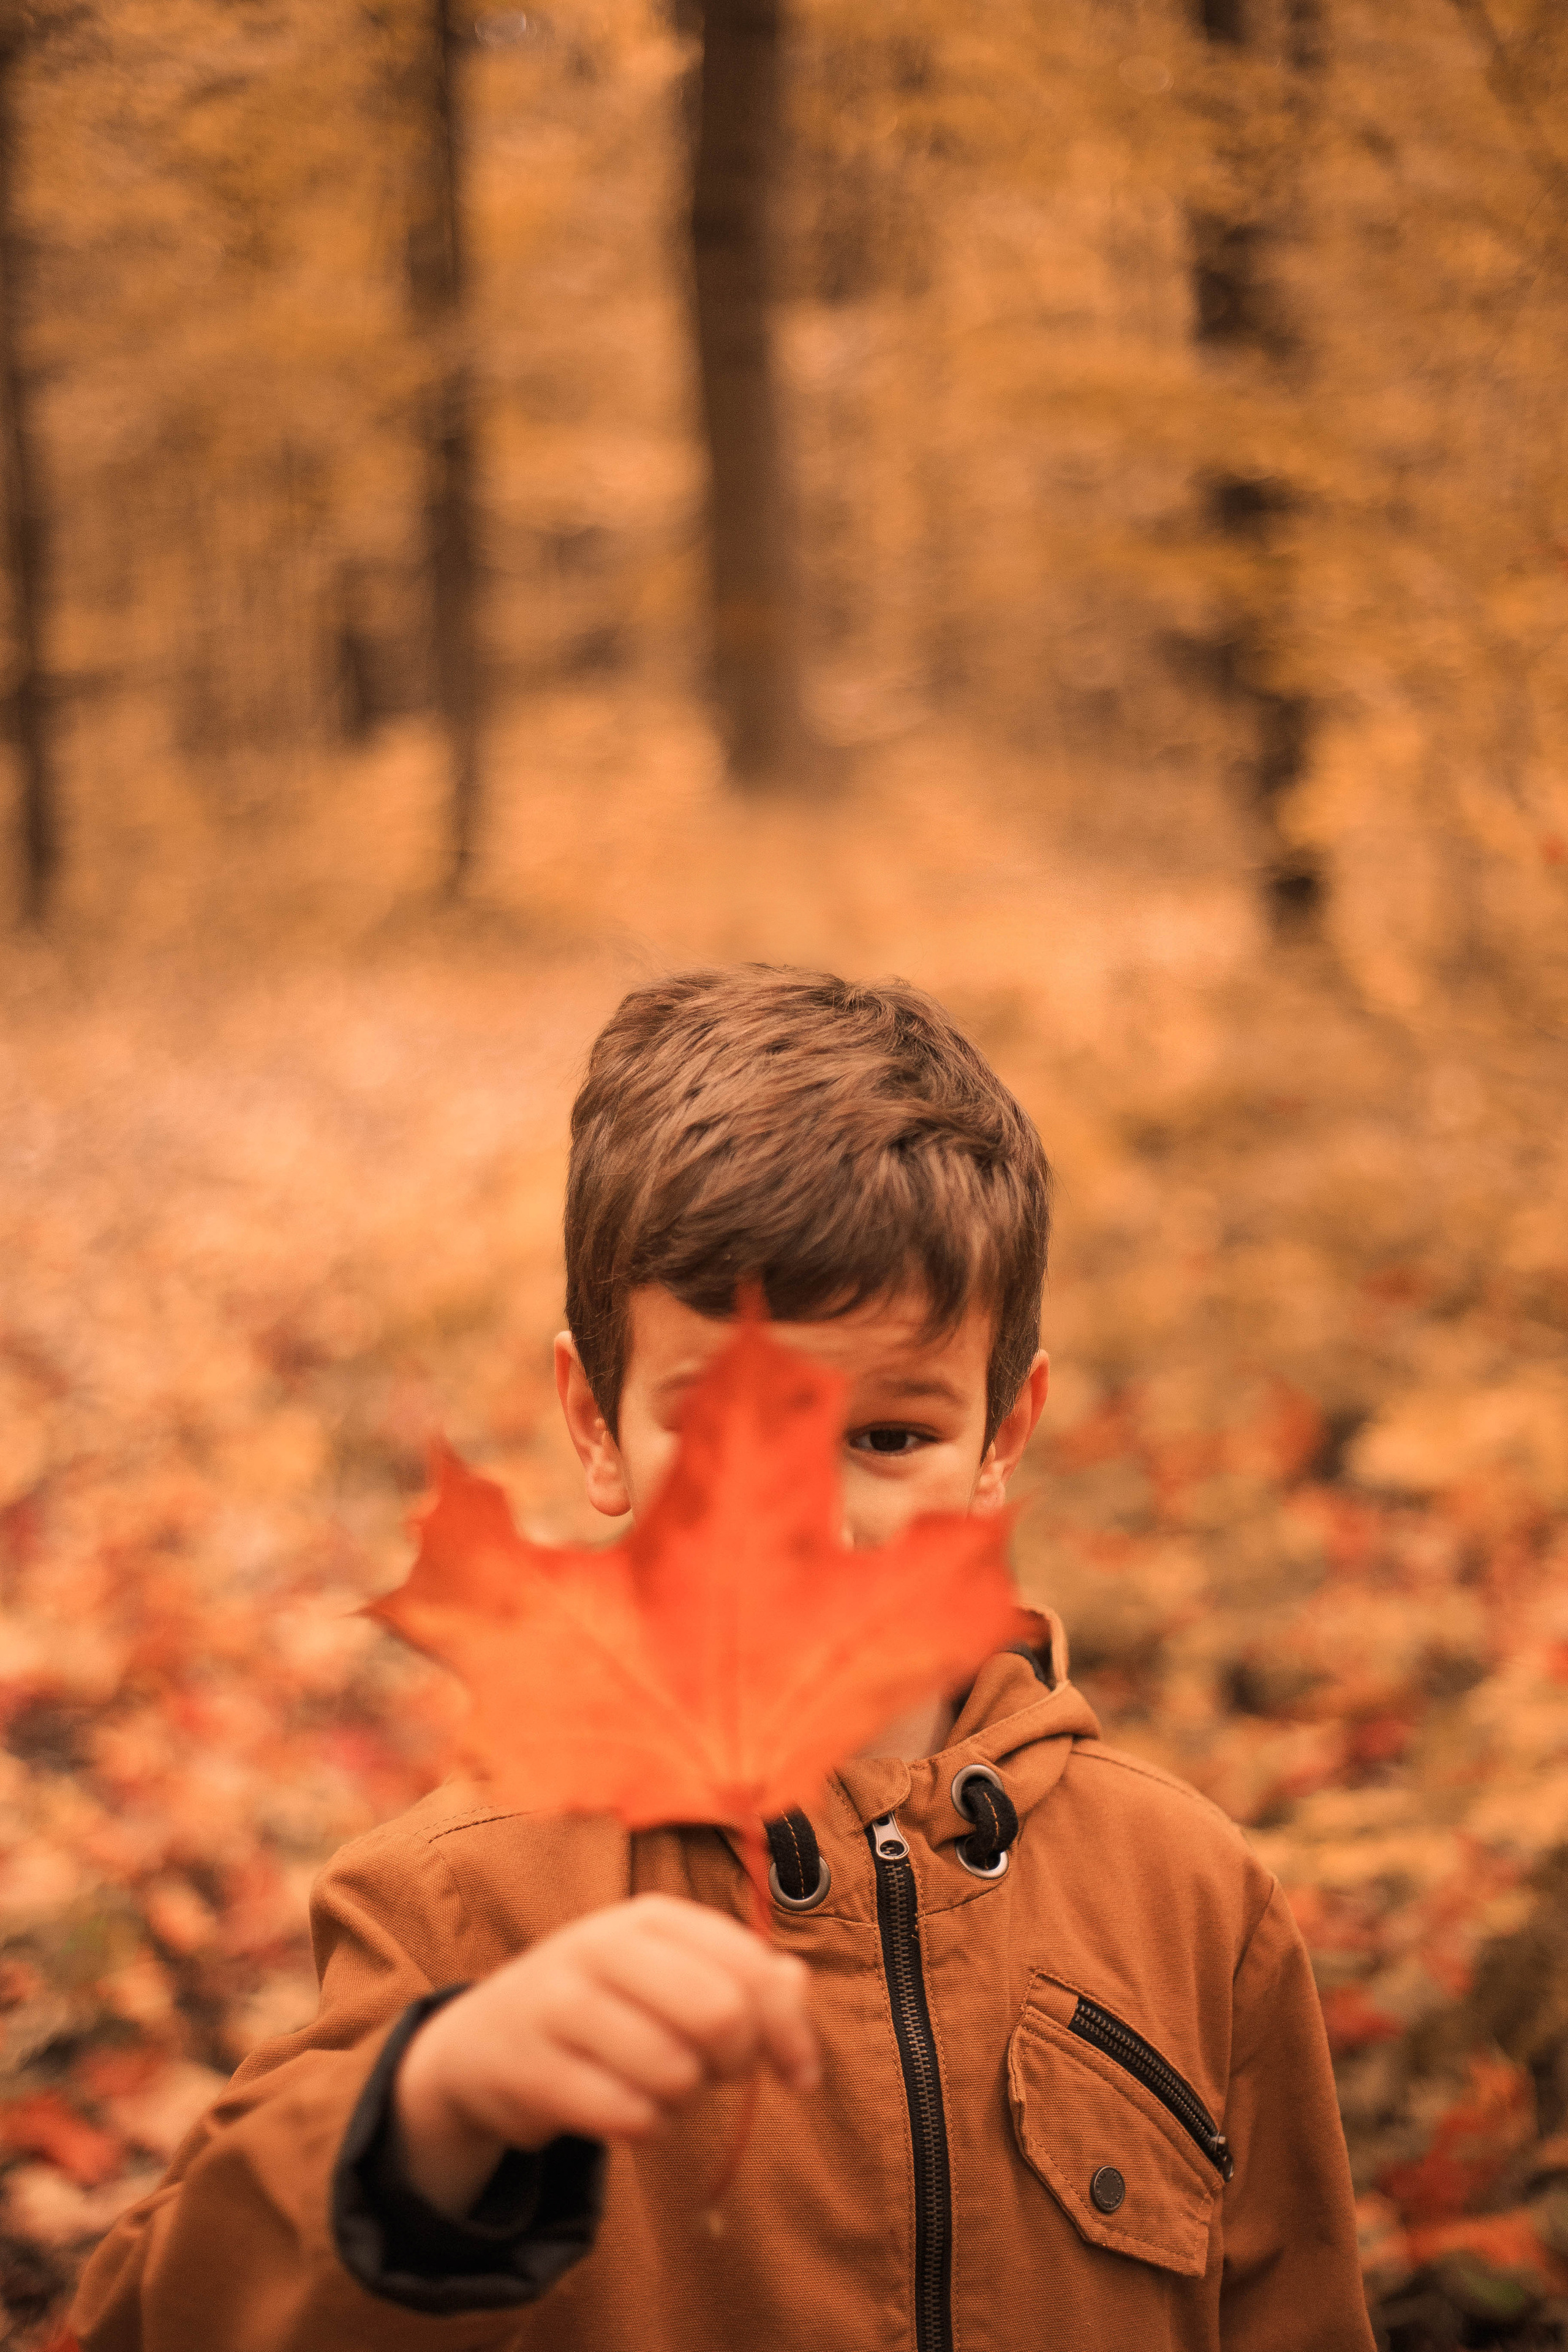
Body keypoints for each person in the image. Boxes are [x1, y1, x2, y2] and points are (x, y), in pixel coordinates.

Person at [73, 965, 1373, 2352]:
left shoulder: (1188, 1898)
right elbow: (155, 2321)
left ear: (1000, 1436)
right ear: (594, 1423)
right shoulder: (462, 1905)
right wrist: (432, 2114)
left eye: (890, 1439)